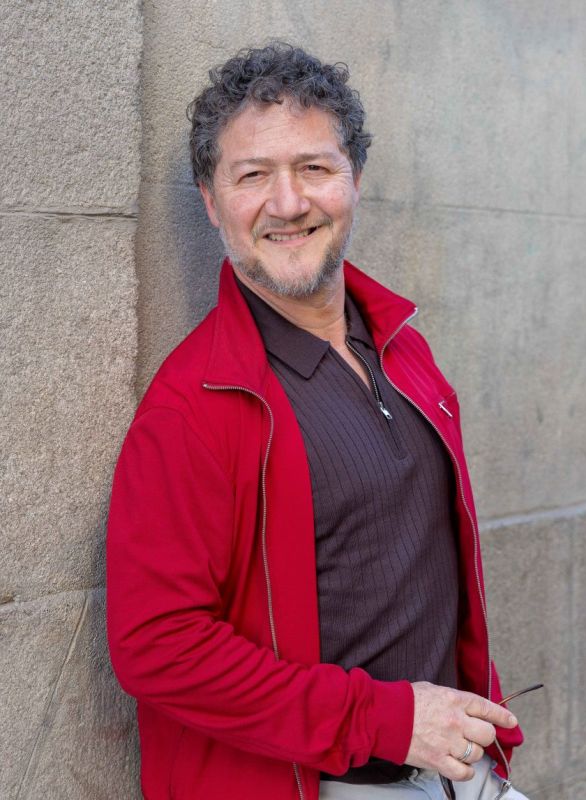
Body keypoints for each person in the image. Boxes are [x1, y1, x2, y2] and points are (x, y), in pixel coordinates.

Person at [106, 42, 528, 800]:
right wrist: (387, 721)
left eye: (314, 167)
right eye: (252, 176)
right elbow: (156, 647)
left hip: (454, 772)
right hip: (314, 784)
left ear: (354, 179)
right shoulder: (193, 405)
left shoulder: (405, 348)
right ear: (210, 201)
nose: (289, 202)